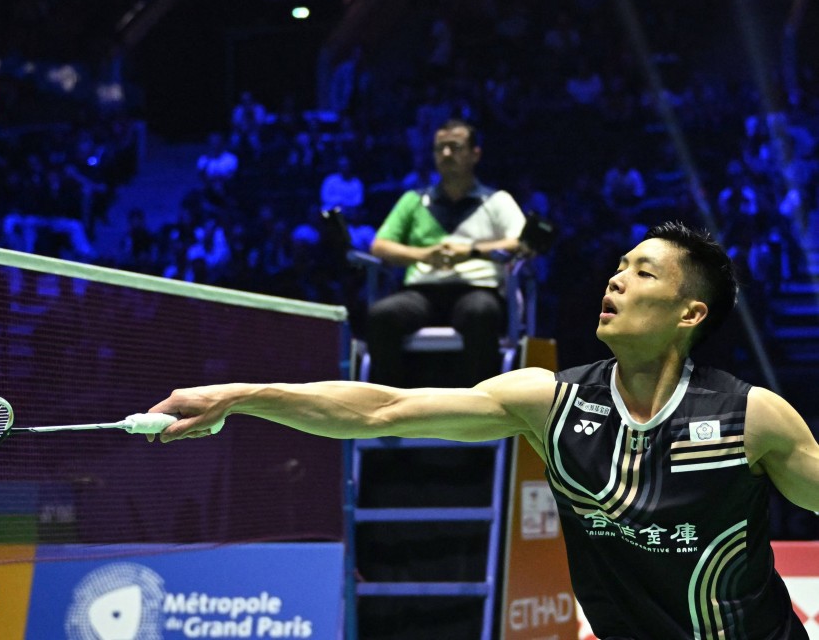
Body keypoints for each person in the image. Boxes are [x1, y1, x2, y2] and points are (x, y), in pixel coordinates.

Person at [145, 222, 819, 639]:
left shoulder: (749, 419)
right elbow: (382, 409)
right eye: (619, 266)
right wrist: (243, 397)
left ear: (690, 312)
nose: (616, 280)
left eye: (643, 272)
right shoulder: (548, 402)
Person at [365, 118, 527, 387]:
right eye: (440, 148)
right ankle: (393, 414)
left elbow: (521, 242)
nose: (446, 154)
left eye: (455, 147)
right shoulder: (414, 200)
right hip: (422, 294)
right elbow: (379, 246)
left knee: (480, 313)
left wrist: (471, 251)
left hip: (477, 289)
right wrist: (424, 255)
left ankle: (475, 414)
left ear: (475, 154)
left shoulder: (496, 200)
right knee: (382, 315)